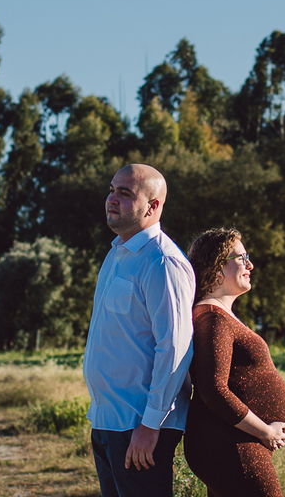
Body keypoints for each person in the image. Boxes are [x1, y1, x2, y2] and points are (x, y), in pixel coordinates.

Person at [83, 163, 195, 497]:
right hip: (107, 419)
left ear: (153, 206)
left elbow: (175, 348)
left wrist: (150, 425)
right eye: (111, 189)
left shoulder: (162, 261)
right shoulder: (116, 253)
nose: (111, 199)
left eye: (125, 193)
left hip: (139, 425)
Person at [183, 228, 285, 497]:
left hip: (232, 442)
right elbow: (212, 389)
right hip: (229, 443)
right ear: (217, 267)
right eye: (241, 258)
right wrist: (265, 431)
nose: (250, 264)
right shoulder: (214, 318)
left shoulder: (219, 315)